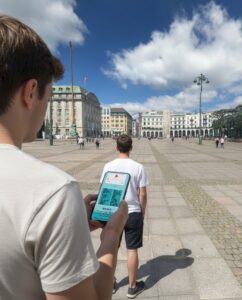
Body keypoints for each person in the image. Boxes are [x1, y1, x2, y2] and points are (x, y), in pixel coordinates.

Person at [0, 15, 128, 300]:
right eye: (48, 96)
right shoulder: (52, 192)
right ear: (31, 92)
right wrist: (111, 238)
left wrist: (68, 226)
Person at [100, 135, 149, 299]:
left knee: (110, 249)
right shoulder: (138, 167)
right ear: (131, 148)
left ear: (116, 147)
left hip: (113, 213)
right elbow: (142, 193)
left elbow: (103, 189)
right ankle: (132, 287)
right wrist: (142, 211)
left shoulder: (108, 166)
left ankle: (110, 283)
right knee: (132, 250)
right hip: (133, 211)